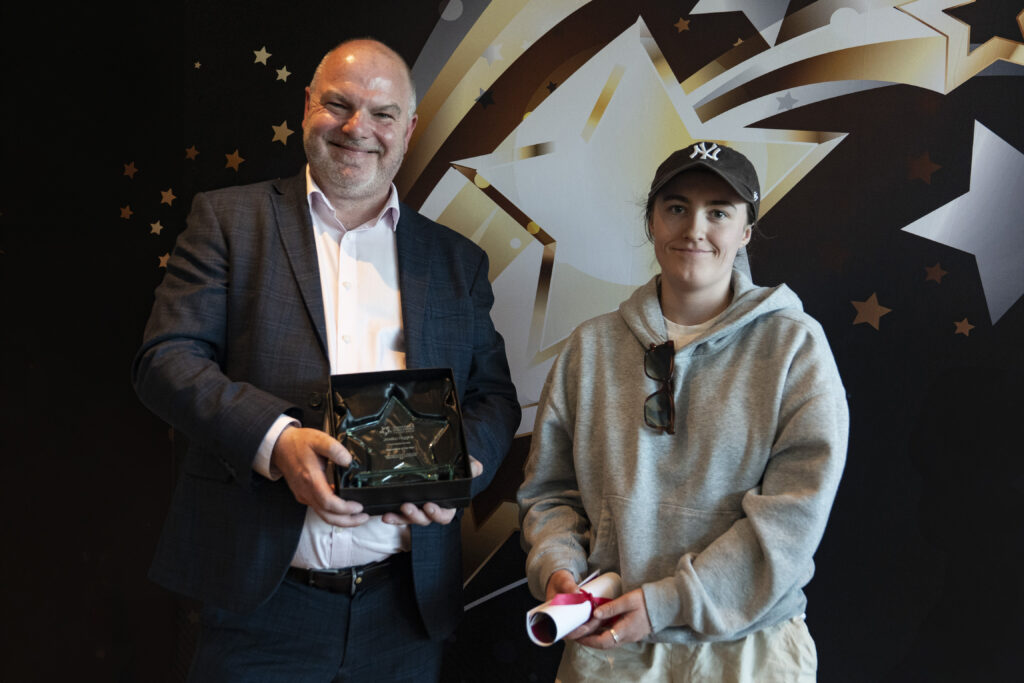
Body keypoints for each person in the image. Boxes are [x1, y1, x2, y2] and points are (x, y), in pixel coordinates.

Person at [132, 38, 520, 682]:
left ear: (409, 129)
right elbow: (165, 359)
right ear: (307, 105)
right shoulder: (229, 219)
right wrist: (274, 440)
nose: (357, 129)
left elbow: (494, 397)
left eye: (382, 114)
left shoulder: (456, 261)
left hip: (405, 611)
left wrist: (459, 470)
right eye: (338, 105)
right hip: (259, 603)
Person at [517, 142, 848, 682]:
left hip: (750, 649)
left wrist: (671, 601)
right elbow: (550, 492)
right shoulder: (590, 349)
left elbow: (794, 514)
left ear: (745, 231)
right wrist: (558, 566)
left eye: (718, 211)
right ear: (652, 221)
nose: (695, 228)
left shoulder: (795, 347)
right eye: (676, 207)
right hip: (611, 649)